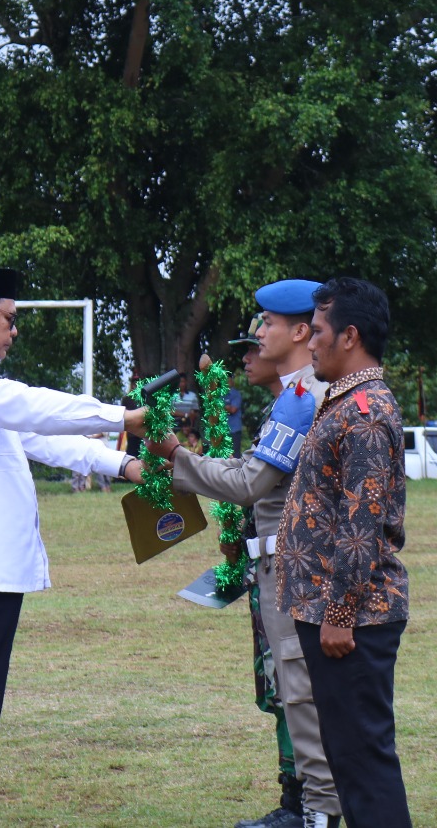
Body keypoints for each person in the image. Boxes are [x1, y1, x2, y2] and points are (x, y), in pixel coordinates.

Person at [0, 268, 146, 828]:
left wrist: (123, 463)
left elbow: (42, 438)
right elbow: (34, 408)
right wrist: (121, 416)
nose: (14, 332)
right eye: (10, 319)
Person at [140, 288, 341, 828]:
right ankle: (311, 807)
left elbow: (252, 482)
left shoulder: (304, 396)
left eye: (268, 326)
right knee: (298, 691)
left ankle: (317, 813)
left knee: (301, 693)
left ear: (299, 331)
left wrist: (177, 457)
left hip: (295, 568)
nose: (258, 340)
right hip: (286, 562)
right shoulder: (299, 395)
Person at [273, 277, 410, 828]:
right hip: (330, 611)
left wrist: (338, 614)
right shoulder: (344, 402)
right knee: (349, 758)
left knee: (363, 760)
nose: (310, 343)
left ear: (349, 336)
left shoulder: (366, 413)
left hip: (352, 617)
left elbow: (362, 528)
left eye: (321, 332)